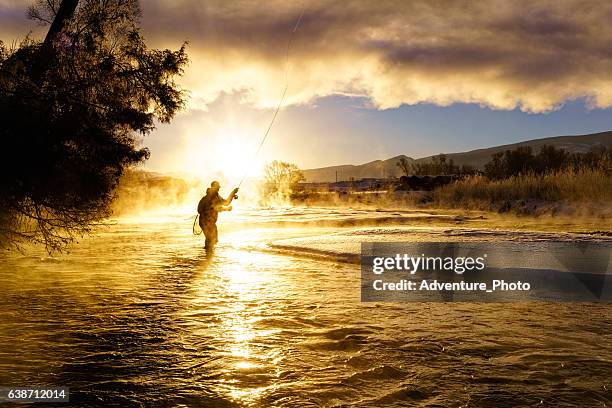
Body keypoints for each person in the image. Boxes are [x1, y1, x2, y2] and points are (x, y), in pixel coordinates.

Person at [197, 181, 239, 250]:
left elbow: (199, 210)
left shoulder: (209, 197)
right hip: (207, 223)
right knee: (211, 240)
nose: (218, 189)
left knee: (211, 240)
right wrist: (227, 208)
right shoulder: (213, 197)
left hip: (205, 222)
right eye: (218, 188)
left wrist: (233, 193)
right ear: (214, 188)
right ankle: (207, 257)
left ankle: (206, 256)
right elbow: (221, 206)